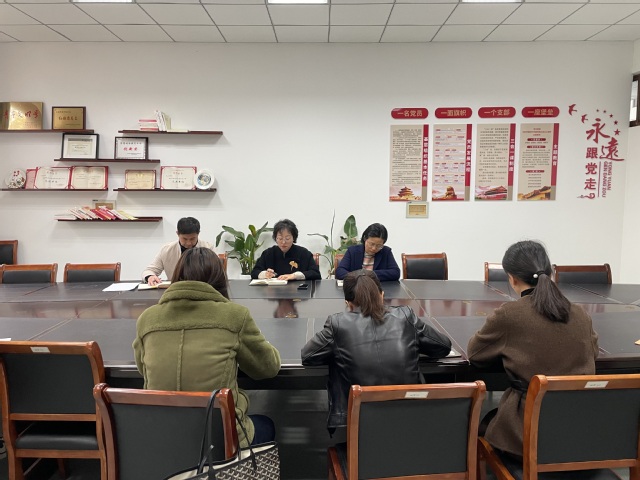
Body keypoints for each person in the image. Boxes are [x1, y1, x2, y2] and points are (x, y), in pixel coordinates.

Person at [133, 248, 281, 446]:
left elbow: (142, 369)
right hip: (220, 439)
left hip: (160, 439)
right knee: (266, 424)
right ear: (219, 278)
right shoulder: (235, 316)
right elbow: (268, 368)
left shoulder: (147, 318)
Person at [467, 240, 599, 459]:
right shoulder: (580, 313)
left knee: (482, 424)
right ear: (550, 272)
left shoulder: (510, 314)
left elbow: (475, 354)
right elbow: (592, 353)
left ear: (512, 278)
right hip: (582, 433)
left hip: (527, 435)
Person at [301, 269, 452, 430]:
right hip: (411, 421)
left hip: (361, 427)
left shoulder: (337, 324)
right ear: (382, 295)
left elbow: (308, 356)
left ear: (347, 303)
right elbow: (443, 346)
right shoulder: (406, 316)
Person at [142, 217, 213, 286]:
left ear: (198, 234)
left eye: (192, 239)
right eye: (185, 239)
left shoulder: (209, 248)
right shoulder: (167, 250)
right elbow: (149, 271)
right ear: (177, 233)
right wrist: (150, 277)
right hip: (174, 289)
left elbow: (216, 273)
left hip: (202, 289)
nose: (188, 243)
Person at [251, 219, 321, 281]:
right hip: (273, 291)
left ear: (293, 238)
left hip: (296, 290)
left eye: (287, 238)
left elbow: (315, 273)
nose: (283, 242)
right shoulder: (268, 253)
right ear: (275, 238)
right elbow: (254, 272)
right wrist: (265, 274)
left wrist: (294, 276)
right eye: (280, 238)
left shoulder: (303, 253)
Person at [335, 223, 400, 281]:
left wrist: (370, 274)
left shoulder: (386, 252)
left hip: (377, 288)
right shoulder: (352, 251)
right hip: (356, 288)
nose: (374, 248)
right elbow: (340, 272)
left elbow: (395, 273)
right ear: (365, 238)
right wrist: (359, 276)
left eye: (379, 245)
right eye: (371, 244)